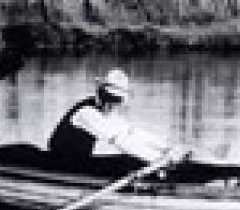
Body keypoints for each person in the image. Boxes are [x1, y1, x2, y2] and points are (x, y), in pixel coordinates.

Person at [48, 68, 189, 166]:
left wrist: (166, 149)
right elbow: (120, 141)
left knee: (127, 159)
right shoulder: (86, 113)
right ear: (101, 94)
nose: (113, 104)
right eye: (110, 98)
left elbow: (133, 133)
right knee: (127, 159)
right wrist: (155, 159)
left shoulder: (107, 113)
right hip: (60, 164)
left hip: (79, 161)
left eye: (117, 100)